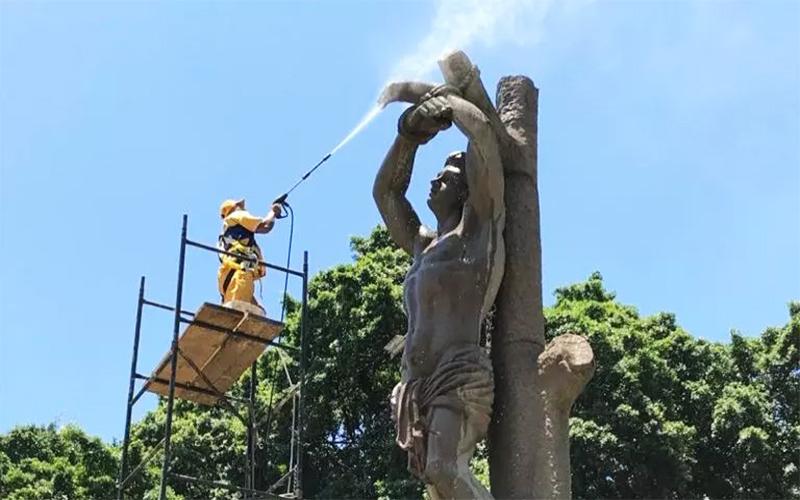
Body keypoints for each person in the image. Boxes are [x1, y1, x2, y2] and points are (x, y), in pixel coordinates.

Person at [373, 86, 505, 499]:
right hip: (418, 384)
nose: (434, 179)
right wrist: (408, 135)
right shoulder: (422, 243)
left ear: (466, 190)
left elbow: (482, 138)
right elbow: (386, 194)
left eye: (446, 177)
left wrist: (452, 105)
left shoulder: (476, 231)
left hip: (457, 375)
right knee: (437, 486)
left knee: (444, 470)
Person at [217, 198, 282, 313]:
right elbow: (265, 226)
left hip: (229, 278)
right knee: (237, 316)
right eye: (240, 206)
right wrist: (273, 212)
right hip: (240, 275)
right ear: (233, 209)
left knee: (253, 312)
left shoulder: (229, 234)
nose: (244, 209)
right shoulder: (236, 215)